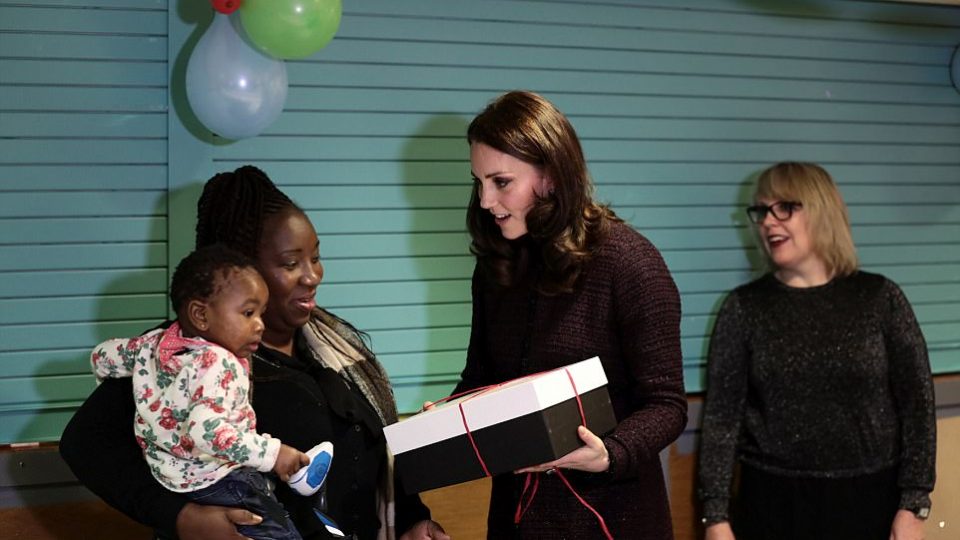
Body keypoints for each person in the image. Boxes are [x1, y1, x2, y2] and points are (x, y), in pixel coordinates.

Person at [61, 166, 448, 540]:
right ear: (241, 270)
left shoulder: (332, 344)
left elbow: (372, 453)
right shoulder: (184, 355)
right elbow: (84, 443)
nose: (313, 275)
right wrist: (181, 519)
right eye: (290, 263)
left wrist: (414, 520)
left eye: (315, 256)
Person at [454, 90, 687, 539]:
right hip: (515, 521)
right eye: (478, 181)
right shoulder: (495, 268)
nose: (484, 201)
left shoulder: (630, 263)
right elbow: (480, 378)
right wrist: (449, 416)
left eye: (501, 182)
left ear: (553, 177)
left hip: (614, 519)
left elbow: (668, 405)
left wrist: (610, 453)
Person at [697, 162, 936, 540]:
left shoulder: (880, 299)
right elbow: (722, 421)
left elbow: (917, 406)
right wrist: (716, 517)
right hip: (771, 506)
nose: (768, 222)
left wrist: (914, 505)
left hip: (871, 502)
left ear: (822, 210)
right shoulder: (743, 308)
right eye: (761, 210)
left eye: (784, 208)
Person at [90, 244, 315, 539]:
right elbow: (207, 431)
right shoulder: (219, 362)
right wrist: (275, 454)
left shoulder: (154, 344)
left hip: (172, 481)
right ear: (200, 315)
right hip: (222, 480)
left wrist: (109, 380)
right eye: (248, 313)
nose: (260, 325)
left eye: (261, 313)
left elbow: (102, 356)